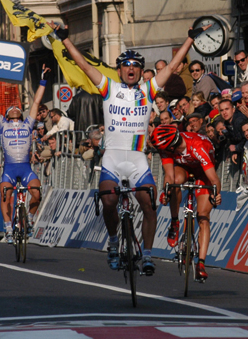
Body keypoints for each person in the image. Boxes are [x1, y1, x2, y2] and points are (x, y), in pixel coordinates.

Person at [52, 21, 208, 276]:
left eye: (136, 66)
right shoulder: (108, 88)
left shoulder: (148, 90)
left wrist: (189, 40)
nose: (131, 69)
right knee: (109, 201)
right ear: (120, 69)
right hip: (112, 159)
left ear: (140, 70)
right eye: (127, 65)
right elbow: (84, 65)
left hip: (137, 159)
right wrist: (66, 40)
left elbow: (170, 67)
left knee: (149, 203)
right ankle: (114, 240)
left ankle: (147, 254)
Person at [0, 65, 47, 243]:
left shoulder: (27, 124)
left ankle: (29, 217)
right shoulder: (2, 124)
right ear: (7, 115)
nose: (15, 108)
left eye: (17, 108)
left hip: (25, 168)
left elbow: (36, 103)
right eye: (11, 108)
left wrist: (43, 80)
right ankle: (8, 227)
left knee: (37, 193)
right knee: (5, 194)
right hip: (9, 169)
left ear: (21, 115)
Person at [151, 124, 222, 282]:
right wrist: (166, 192)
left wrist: (216, 194)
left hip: (203, 171)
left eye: (162, 149)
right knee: (175, 183)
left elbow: (214, 178)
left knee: (203, 216)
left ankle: (201, 264)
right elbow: (169, 176)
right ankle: (175, 222)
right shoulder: (167, 147)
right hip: (183, 167)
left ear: (171, 145)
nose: (161, 152)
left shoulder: (198, 147)